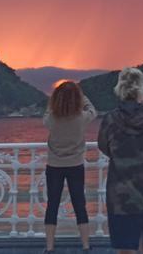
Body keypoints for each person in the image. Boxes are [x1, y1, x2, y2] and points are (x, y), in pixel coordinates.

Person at [98, 67, 143, 254]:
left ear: (119, 88)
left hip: (121, 194)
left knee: (125, 249)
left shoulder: (110, 119)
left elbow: (104, 147)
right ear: (141, 89)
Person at [43, 80, 98, 253]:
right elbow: (93, 111)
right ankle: (85, 245)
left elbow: (46, 115)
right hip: (75, 164)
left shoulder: (52, 118)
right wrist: (82, 97)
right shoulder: (81, 118)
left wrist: (53, 101)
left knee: (52, 204)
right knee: (79, 204)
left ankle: (50, 247)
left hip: (54, 165)